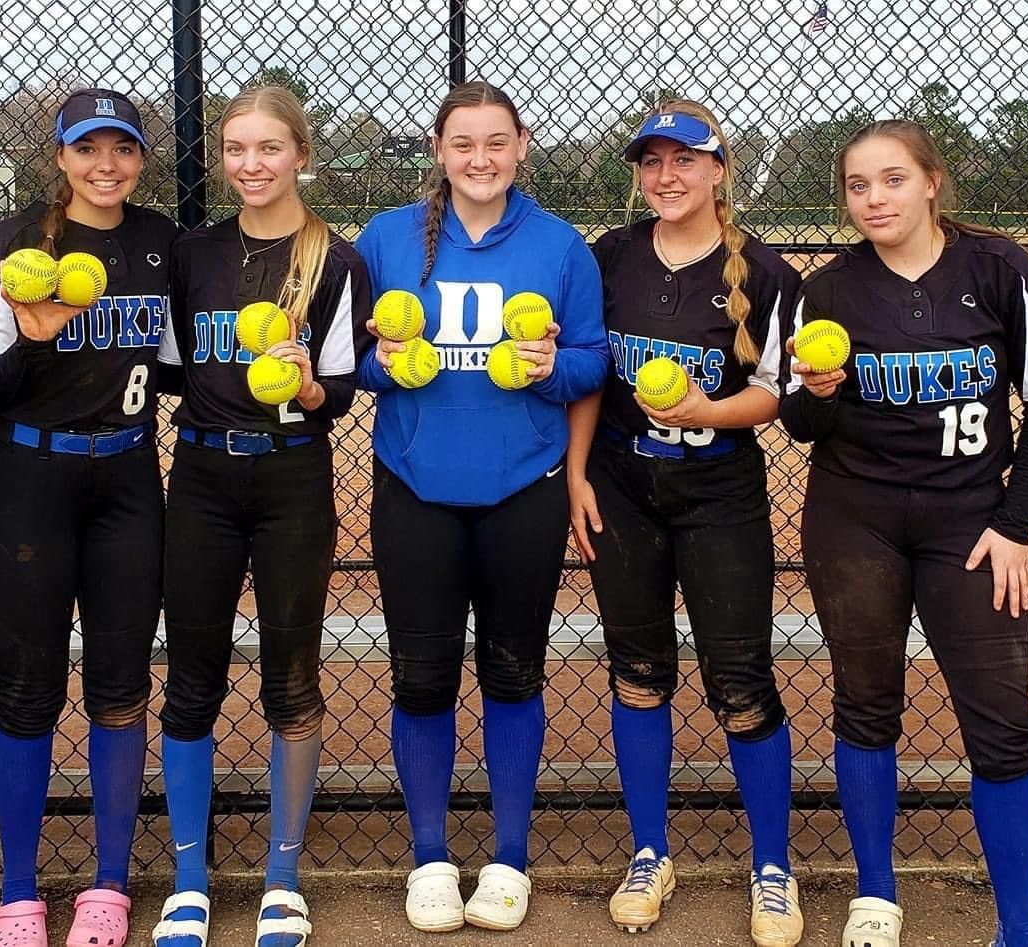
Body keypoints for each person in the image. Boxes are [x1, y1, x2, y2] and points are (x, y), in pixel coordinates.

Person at [780, 119, 1028, 947]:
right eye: (857, 185)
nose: (873, 198)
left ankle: (1020, 928)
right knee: (866, 703)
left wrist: (1015, 524)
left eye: (891, 179)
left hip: (970, 523)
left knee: (1000, 719)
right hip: (857, 519)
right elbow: (803, 425)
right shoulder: (830, 289)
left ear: (930, 182)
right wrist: (816, 389)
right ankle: (876, 896)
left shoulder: (997, 269)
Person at [355, 79, 609, 934]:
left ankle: (509, 856)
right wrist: (389, 364)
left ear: (521, 144)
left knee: (512, 672)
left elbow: (591, 362)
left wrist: (551, 369)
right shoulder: (388, 238)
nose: (480, 158)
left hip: (522, 491)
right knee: (421, 678)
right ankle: (430, 856)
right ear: (438, 149)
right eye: (463, 143)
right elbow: (353, 361)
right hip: (416, 490)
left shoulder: (560, 245)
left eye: (496, 141)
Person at [568, 101, 804, 944]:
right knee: (637, 670)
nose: (666, 177)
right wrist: (577, 477)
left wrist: (712, 406)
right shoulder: (611, 258)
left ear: (718, 169)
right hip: (623, 491)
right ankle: (648, 851)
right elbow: (592, 375)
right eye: (652, 162)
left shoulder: (766, 274)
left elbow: (775, 394)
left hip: (719, 495)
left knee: (740, 683)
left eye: (685, 161)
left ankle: (772, 866)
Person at [151, 84, 371, 947]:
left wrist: (310, 383)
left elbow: (343, 393)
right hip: (202, 474)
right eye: (235, 149)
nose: (251, 164)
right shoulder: (192, 252)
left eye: (269, 148)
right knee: (193, 674)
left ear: (301, 154)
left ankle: (282, 874)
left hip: (292, 480)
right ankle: (191, 878)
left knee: (291, 674)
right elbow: (171, 368)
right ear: (219, 158)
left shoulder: (336, 261)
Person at [0, 88, 179, 947]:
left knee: (122, 687)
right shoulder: (15, 242)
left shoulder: (161, 242)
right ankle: (18, 890)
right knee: (28, 688)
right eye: (87, 149)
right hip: (30, 477)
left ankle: (109, 883)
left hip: (126, 478)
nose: (105, 166)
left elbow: (175, 368)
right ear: (58, 157)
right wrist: (37, 333)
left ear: (139, 159)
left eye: (121, 149)